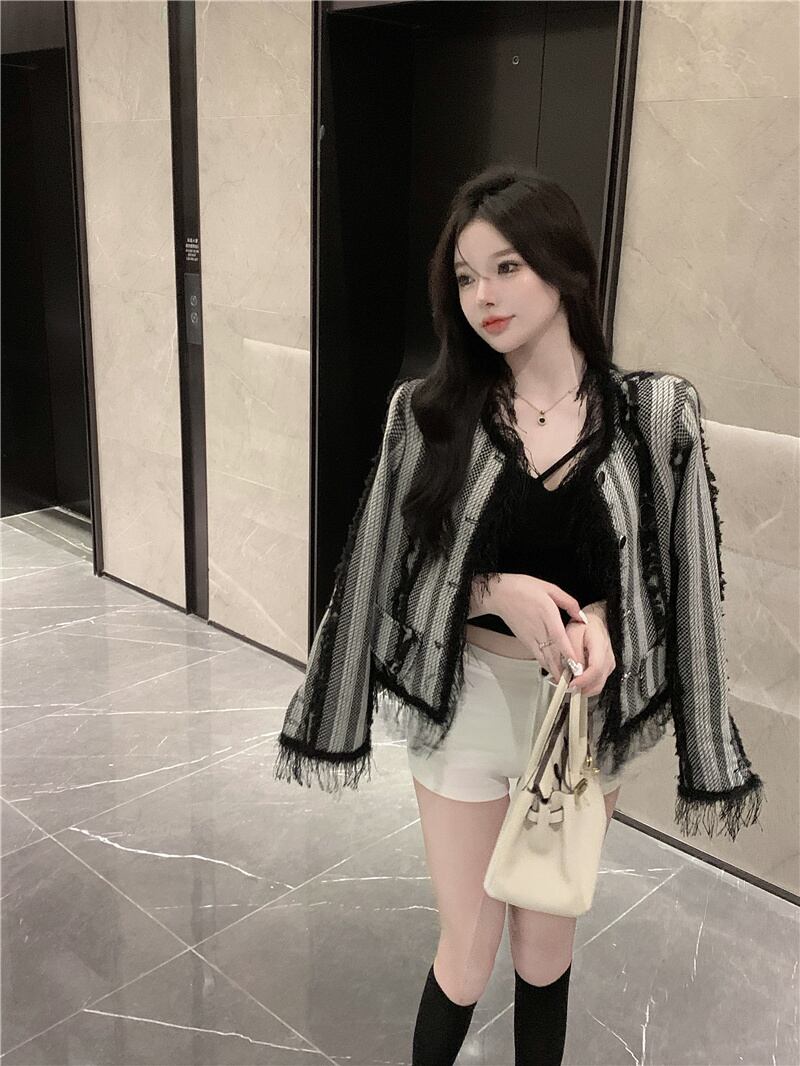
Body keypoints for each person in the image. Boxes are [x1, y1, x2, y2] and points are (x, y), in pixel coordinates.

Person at [273, 164, 764, 1065]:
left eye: (507, 267)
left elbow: (680, 581)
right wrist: (488, 590)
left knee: (546, 954)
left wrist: (610, 624)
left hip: (578, 717)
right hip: (465, 701)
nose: (484, 297)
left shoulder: (653, 416)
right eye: (466, 277)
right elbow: (383, 573)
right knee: (466, 953)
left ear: (564, 267)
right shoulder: (428, 414)